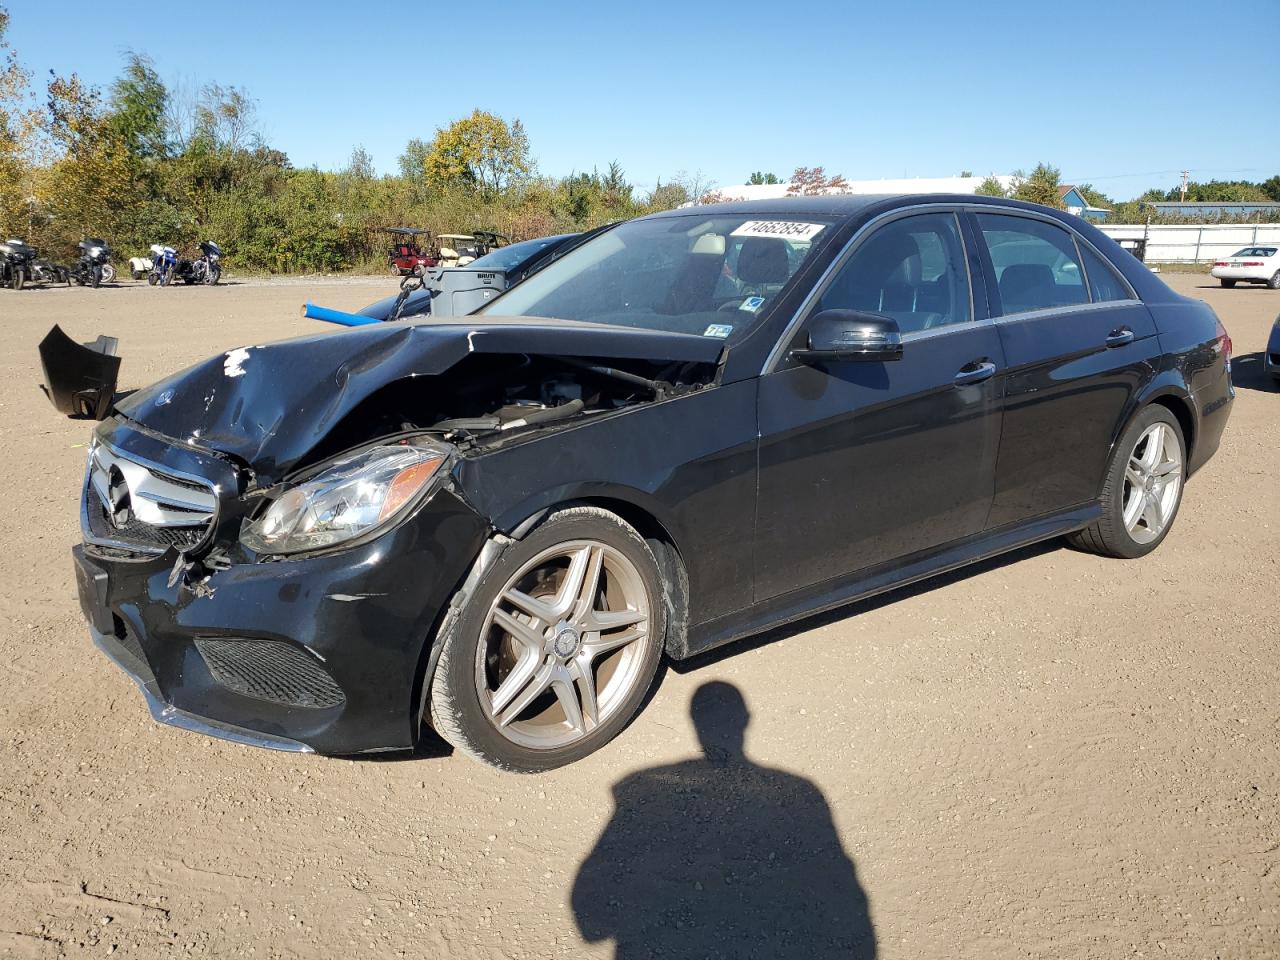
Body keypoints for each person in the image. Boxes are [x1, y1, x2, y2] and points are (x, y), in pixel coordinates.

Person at [572, 681, 876, 959]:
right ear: (747, 720)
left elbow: (591, 922)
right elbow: (841, 894)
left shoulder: (640, 786)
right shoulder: (801, 792)